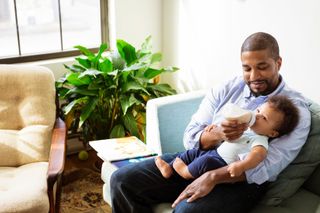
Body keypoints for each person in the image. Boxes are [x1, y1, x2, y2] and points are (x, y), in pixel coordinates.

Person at [110, 32, 311, 213]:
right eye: (247, 68)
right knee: (122, 181)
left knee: (187, 211)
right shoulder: (227, 89)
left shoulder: (295, 110)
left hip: (241, 180)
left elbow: (267, 167)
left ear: (278, 63)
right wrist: (218, 135)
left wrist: (213, 177)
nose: (254, 76)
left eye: (262, 67)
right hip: (201, 157)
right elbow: (190, 137)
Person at [155, 95, 299, 180]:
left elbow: (257, 156)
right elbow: (226, 134)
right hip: (214, 150)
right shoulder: (245, 127)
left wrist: (241, 166)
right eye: (258, 110)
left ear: (272, 133)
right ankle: (169, 167)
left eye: (264, 118)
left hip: (221, 161)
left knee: (205, 161)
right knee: (193, 153)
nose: (257, 116)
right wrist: (213, 129)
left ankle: (185, 173)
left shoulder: (260, 140)